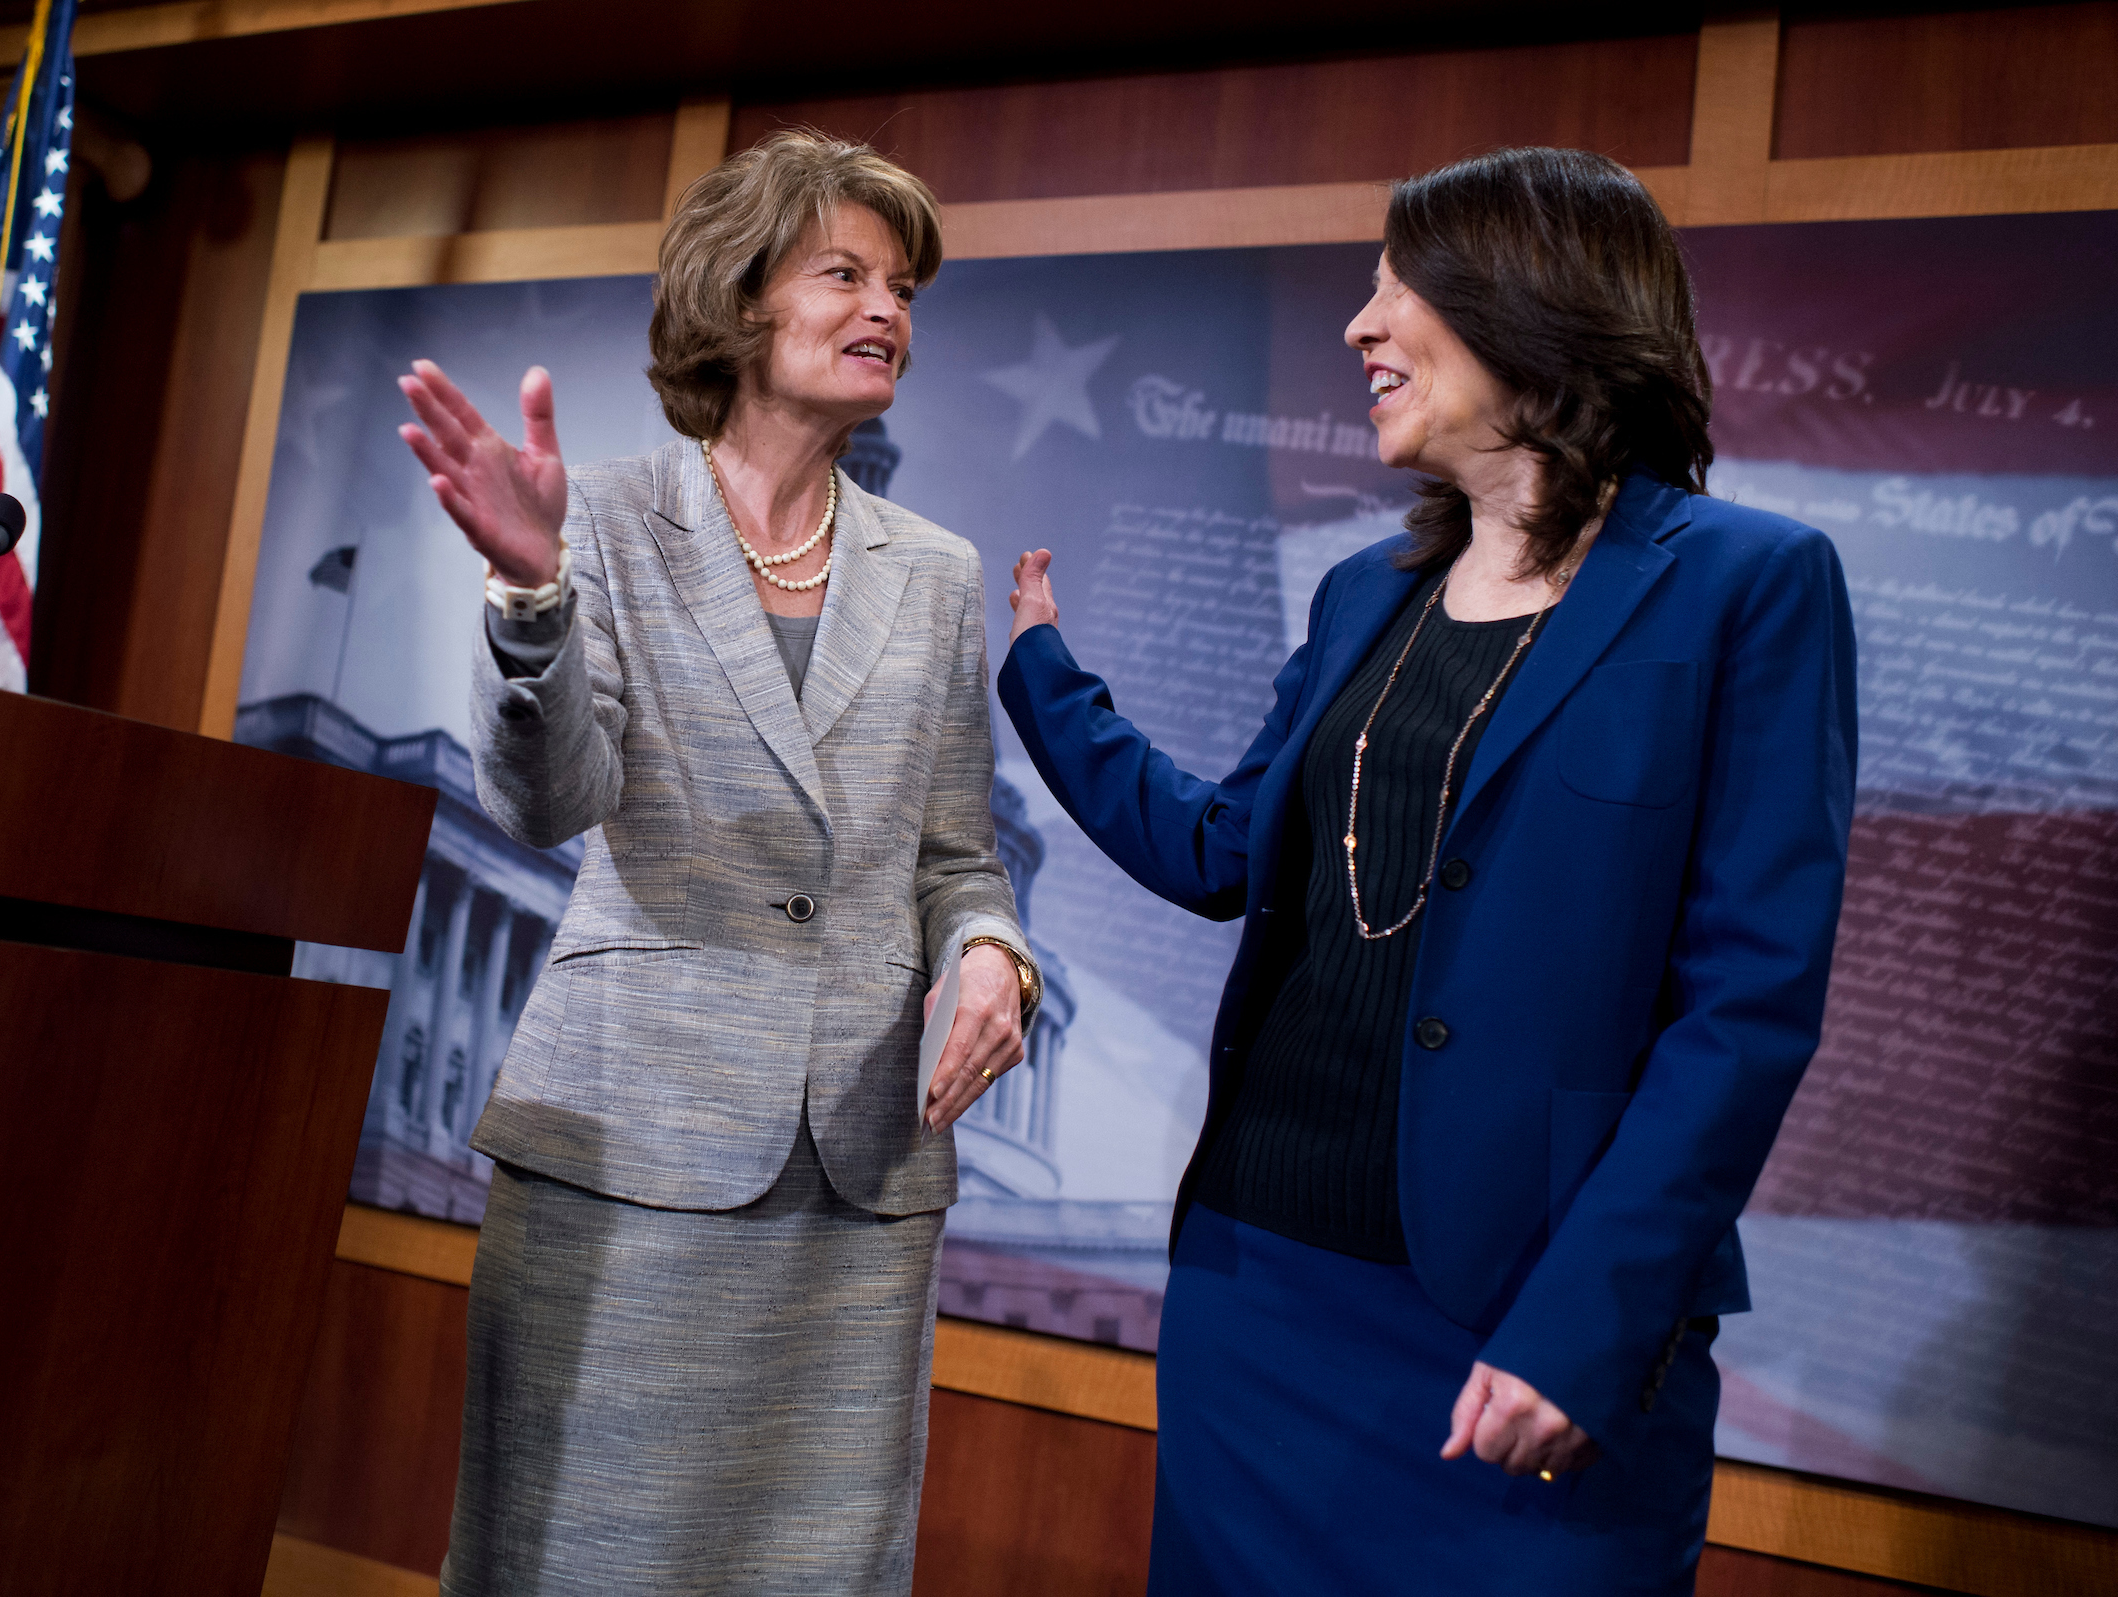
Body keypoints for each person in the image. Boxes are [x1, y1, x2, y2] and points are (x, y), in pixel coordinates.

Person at [997, 146, 1855, 1593]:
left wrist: (1590, 1322)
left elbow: (1748, 1007)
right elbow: (1225, 849)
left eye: (1398, 290)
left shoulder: (1752, 583)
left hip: (1527, 1334)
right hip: (1257, 1299)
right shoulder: (1360, 594)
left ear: (1525, 305)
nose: (1361, 329)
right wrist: (1043, 680)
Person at [396, 131, 1041, 1596]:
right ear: (744, 302)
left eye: (904, 287)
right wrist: (529, 591)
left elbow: (957, 854)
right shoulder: (606, 519)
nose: (890, 310)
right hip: (632, 1157)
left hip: (856, 1184)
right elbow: (549, 799)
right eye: (846, 274)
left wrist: (994, 948)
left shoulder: (936, 575)